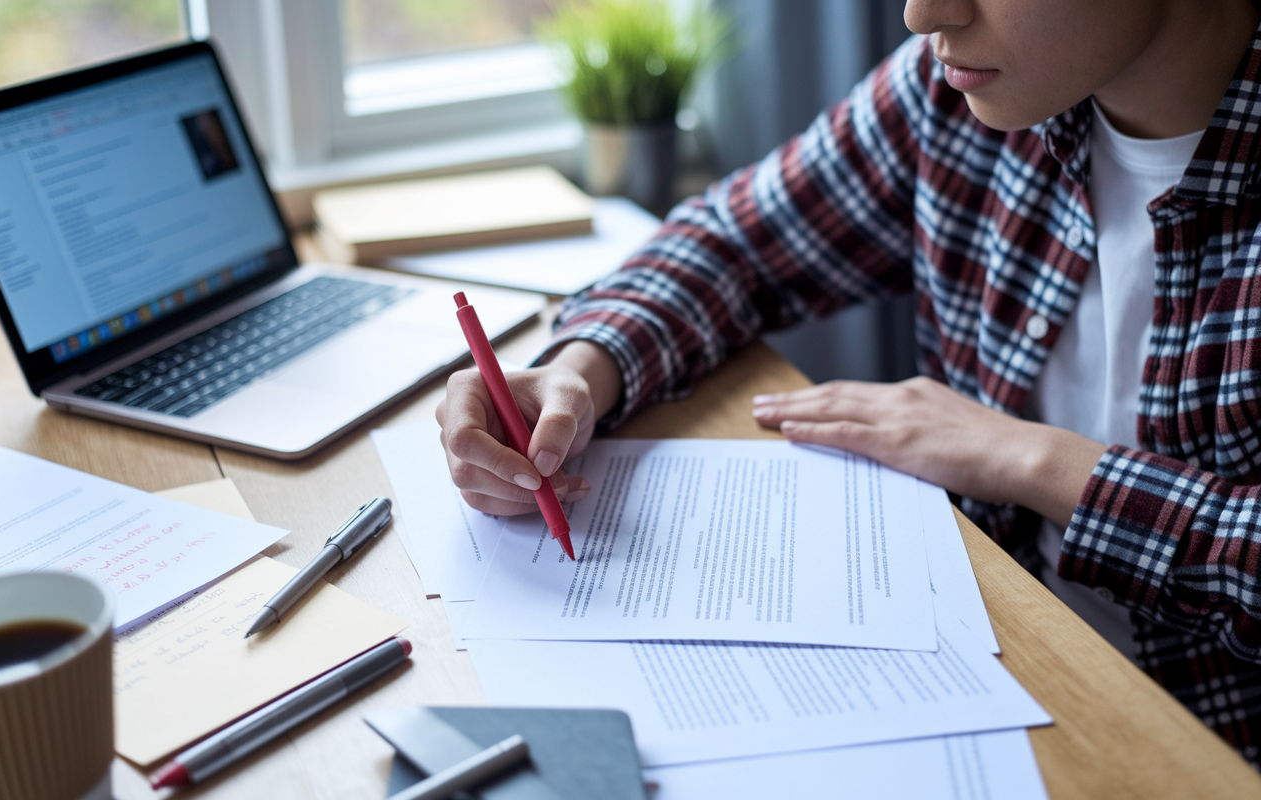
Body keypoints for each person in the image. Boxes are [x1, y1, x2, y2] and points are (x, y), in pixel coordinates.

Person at [436, 0, 1261, 767]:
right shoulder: (957, 94)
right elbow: (735, 242)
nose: (922, 13)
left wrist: (1031, 461)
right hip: (994, 679)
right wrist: (579, 372)